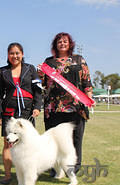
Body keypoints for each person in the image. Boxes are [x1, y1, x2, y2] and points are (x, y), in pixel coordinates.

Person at [38, 32, 93, 175]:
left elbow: (87, 81)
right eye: (59, 42)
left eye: (65, 41)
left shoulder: (79, 60)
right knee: (53, 140)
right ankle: (54, 167)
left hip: (76, 106)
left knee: (76, 138)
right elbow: (43, 84)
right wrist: (40, 74)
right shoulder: (49, 62)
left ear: (70, 44)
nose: (62, 44)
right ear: (55, 45)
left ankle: (74, 167)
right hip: (54, 107)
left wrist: (89, 99)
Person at [0, 42, 42, 185]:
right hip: (9, 113)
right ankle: (8, 176)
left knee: (28, 144)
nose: (14, 56)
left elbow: (38, 90)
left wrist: (37, 107)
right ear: (8, 55)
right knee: (8, 144)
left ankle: (27, 174)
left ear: (22, 54)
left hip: (27, 113)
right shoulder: (2, 71)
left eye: (17, 53)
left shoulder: (31, 69)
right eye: (11, 53)